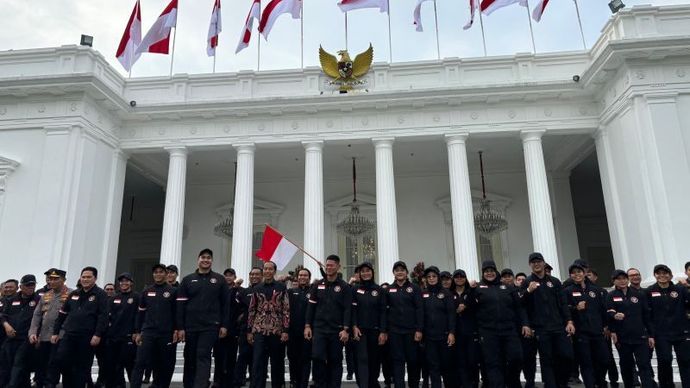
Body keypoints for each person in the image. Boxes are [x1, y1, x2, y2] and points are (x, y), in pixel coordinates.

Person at [520, 252, 575, 388]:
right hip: (540, 328)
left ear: (544, 263)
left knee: (566, 356)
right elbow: (521, 305)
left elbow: (563, 304)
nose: (536, 264)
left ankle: (561, 382)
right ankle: (551, 385)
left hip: (558, 326)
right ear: (530, 265)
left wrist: (569, 321)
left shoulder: (554, 281)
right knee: (547, 359)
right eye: (533, 262)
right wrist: (528, 291)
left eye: (539, 261)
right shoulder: (527, 282)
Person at [176, 248, 230, 388]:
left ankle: (200, 385)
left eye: (208, 258)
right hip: (191, 326)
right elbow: (180, 305)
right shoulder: (187, 280)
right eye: (203, 257)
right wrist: (180, 327)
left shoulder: (220, 280)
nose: (206, 260)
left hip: (211, 326)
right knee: (190, 357)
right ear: (198, 259)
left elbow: (225, 305)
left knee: (203, 355)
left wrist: (224, 325)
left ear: (211, 261)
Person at [471, 260, 528, 388]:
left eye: (491, 270)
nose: (489, 273)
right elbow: (471, 308)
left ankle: (511, 382)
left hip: (509, 330)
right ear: (483, 273)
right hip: (488, 332)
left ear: (496, 271)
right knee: (493, 364)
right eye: (486, 271)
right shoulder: (478, 288)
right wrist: (471, 290)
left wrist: (525, 323)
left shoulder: (507, 287)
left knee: (516, 358)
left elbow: (519, 307)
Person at [51, 266, 109, 388]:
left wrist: (97, 334)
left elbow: (103, 317)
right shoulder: (74, 294)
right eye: (83, 277)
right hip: (69, 335)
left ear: (95, 278)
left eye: (89, 277)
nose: (85, 279)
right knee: (62, 360)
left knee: (82, 367)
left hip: (87, 337)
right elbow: (62, 314)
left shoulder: (100, 295)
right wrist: (55, 332)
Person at [304, 254, 352, 388]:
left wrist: (346, 329)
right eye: (327, 265)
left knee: (335, 360)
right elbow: (311, 306)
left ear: (338, 267)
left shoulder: (344, 287)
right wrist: (307, 326)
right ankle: (320, 384)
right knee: (318, 358)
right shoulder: (317, 285)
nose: (329, 268)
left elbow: (348, 309)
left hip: (337, 331)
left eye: (331, 265)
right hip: (319, 329)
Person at [130, 264, 179, 388]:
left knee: (163, 364)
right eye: (156, 272)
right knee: (140, 362)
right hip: (148, 332)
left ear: (166, 274)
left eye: (161, 272)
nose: (158, 274)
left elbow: (177, 313)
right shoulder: (146, 291)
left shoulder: (173, 291)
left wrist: (176, 329)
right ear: (153, 274)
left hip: (166, 333)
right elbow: (140, 313)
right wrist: (137, 331)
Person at [606, 269, 655, 388]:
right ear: (614, 281)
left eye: (624, 278)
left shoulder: (638, 294)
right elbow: (608, 313)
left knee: (644, 364)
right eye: (619, 279)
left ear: (627, 279)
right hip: (622, 337)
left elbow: (646, 316)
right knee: (626, 365)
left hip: (640, 336)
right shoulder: (611, 295)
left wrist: (651, 334)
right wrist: (613, 329)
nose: (622, 281)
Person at [564, 262, 610, 388]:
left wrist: (606, 325)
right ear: (570, 275)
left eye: (579, 272)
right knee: (586, 363)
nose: (577, 274)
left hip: (597, 331)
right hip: (581, 333)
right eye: (574, 273)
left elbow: (602, 309)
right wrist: (575, 308)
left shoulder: (595, 290)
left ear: (584, 273)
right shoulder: (568, 291)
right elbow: (565, 310)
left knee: (604, 360)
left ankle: (599, 381)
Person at [645, 264, 690, 388]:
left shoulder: (680, 289)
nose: (662, 276)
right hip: (661, 334)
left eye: (665, 273)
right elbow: (647, 314)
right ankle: (667, 385)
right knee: (665, 360)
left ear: (670, 275)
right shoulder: (649, 291)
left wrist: (688, 286)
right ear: (655, 275)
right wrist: (650, 333)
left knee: (685, 361)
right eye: (658, 273)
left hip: (681, 332)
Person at [247, 261, 290, 388]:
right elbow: (252, 310)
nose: (267, 271)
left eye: (270, 269)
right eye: (265, 269)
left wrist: (285, 330)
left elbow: (286, 310)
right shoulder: (257, 288)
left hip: (276, 331)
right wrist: (249, 331)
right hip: (259, 330)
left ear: (274, 271)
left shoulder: (282, 287)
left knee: (277, 363)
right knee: (258, 363)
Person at [29, 268, 70, 388]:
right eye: (50, 279)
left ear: (63, 280)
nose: (52, 281)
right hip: (44, 336)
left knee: (54, 364)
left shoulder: (71, 294)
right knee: (42, 364)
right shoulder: (45, 296)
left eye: (56, 279)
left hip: (61, 336)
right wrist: (32, 332)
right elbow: (37, 315)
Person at [385, 260, 424, 388]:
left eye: (402, 270)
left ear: (406, 272)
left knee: (413, 361)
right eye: (397, 270)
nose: (400, 272)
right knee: (397, 362)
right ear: (394, 273)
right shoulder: (389, 290)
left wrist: (419, 329)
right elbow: (385, 311)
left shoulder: (414, 288)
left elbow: (419, 309)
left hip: (411, 332)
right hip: (395, 332)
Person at [0, 274, 40, 388]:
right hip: (10, 338)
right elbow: (3, 315)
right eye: (28, 285)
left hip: (26, 339)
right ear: (21, 286)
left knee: (19, 364)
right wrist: (6, 325)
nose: (30, 288)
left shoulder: (38, 300)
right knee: (6, 364)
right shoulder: (12, 299)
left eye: (33, 285)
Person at [351, 262, 387, 388]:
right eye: (363, 271)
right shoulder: (355, 289)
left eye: (368, 270)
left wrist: (383, 331)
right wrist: (354, 326)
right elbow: (353, 310)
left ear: (372, 272)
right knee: (361, 360)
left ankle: (373, 383)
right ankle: (363, 385)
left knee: (374, 360)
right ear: (359, 274)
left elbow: (383, 312)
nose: (365, 273)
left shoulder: (380, 290)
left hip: (376, 331)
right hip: (360, 332)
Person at [103, 272, 140, 388]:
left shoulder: (137, 297)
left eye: (127, 281)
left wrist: (137, 331)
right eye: (122, 281)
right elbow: (107, 316)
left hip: (129, 337)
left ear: (131, 283)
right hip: (113, 337)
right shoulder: (114, 298)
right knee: (115, 365)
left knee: (130, 365)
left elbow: (139, 315)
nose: (124, 283)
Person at [420, 266, 455, 388]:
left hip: (444, 336)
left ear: (438, 277)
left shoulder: (446, 293)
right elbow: (420, 314)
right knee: (433, 367)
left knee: (446, 366)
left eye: (434, 276)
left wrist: (452, 332)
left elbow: (451, 314)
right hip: (429, 337)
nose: (431, 278)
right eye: (429, 277)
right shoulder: (423, 293)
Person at [233, 267, 263, 388]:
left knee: (257, 358)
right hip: (245, 329)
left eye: (257, 274)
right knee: (243, 355)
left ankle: (255, 382)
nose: (254, 276)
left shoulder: (264, 290)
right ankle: (238, 381)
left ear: (261, 276)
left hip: (261, 329)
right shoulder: (244, 291)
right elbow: (236, 306)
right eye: (252, 274)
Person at [450, 269, 479, 388]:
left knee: (472, 360)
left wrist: (466, 304)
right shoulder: (449, 293)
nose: (459, 278)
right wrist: (455, 311)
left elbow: (477, 305)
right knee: (460, 361)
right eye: (456, 277)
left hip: (471, 331)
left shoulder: (471, 291)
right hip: (457, 332)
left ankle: (474, 382)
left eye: (462, 276)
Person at [213, 268, 238, 388]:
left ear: (234, 277)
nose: (228, 277)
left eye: (231, 275)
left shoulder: (239, 291)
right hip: (218, 328)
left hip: (233, 330)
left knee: (231, 357)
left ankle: (230, 381)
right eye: (226, 275)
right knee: (218, 356)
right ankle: (217, 380)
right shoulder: (218, 290)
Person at [287, 267, 312, 388]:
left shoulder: (314, 292)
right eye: (301, 275)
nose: (303, 277)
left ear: (309, 278)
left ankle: (304, 384)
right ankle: (294, 381)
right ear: (297, 277)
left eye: (305, 275)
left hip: (308, 332)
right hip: (293, 332)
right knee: (293, 358)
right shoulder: (291, 292)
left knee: (306, 359)